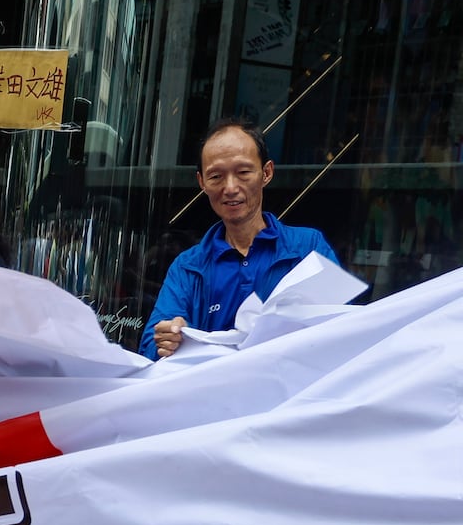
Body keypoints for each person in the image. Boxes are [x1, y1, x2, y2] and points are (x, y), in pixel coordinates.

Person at [138, 118, 339, 359]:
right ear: (201, 182)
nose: (230, 187)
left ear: (266, 173)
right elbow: (151, 345)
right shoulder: (188, 267)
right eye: (216, 177)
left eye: (243, 172)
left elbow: (338, 331)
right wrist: (167, 339)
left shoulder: (308, 248)